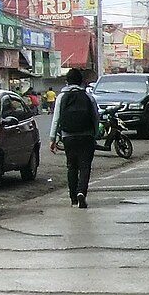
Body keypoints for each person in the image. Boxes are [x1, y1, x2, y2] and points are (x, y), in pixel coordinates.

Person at [49, 68, 99, 209]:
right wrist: (95, 134)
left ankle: (73, 199)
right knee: (85, 166)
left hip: (68, 136)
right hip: (87, 136)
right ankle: (81, 192)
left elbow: (56, 118)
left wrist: (52, 138)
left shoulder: (61, 97)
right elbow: (95, 116)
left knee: (71, 166)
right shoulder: (88, 96)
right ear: (81, 81)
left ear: (67, 81)